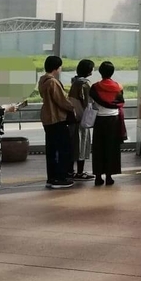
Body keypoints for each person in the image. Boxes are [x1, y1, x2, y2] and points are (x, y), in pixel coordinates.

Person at [39, 56, 77, 189]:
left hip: (47, 118)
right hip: (57, 118)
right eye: (60, 67)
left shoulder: (43, 80)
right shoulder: (53, 82)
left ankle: (52, 177)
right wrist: (73, 106)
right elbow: (61, 101)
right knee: (62, 149)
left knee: (51, 149)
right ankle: (60, 178)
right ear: (56, 68)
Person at [90, 61, 125, 185]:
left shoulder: (95, 87)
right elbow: (120, 102)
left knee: (98, 148)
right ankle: (109, 176)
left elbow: (92, 101)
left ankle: (98, 177)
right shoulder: (118, 87)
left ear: (100, 72)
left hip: (99, 119)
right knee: (112, 148)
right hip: (114, 120)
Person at [67, 59, 95, 181]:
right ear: (88, 70)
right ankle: (80, 172)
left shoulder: (75, 82)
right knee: (81, 146)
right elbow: (89, 103)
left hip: (73, 118)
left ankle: (70, 171)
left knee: (73, 145)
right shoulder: (84, 85)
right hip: (82, 119)